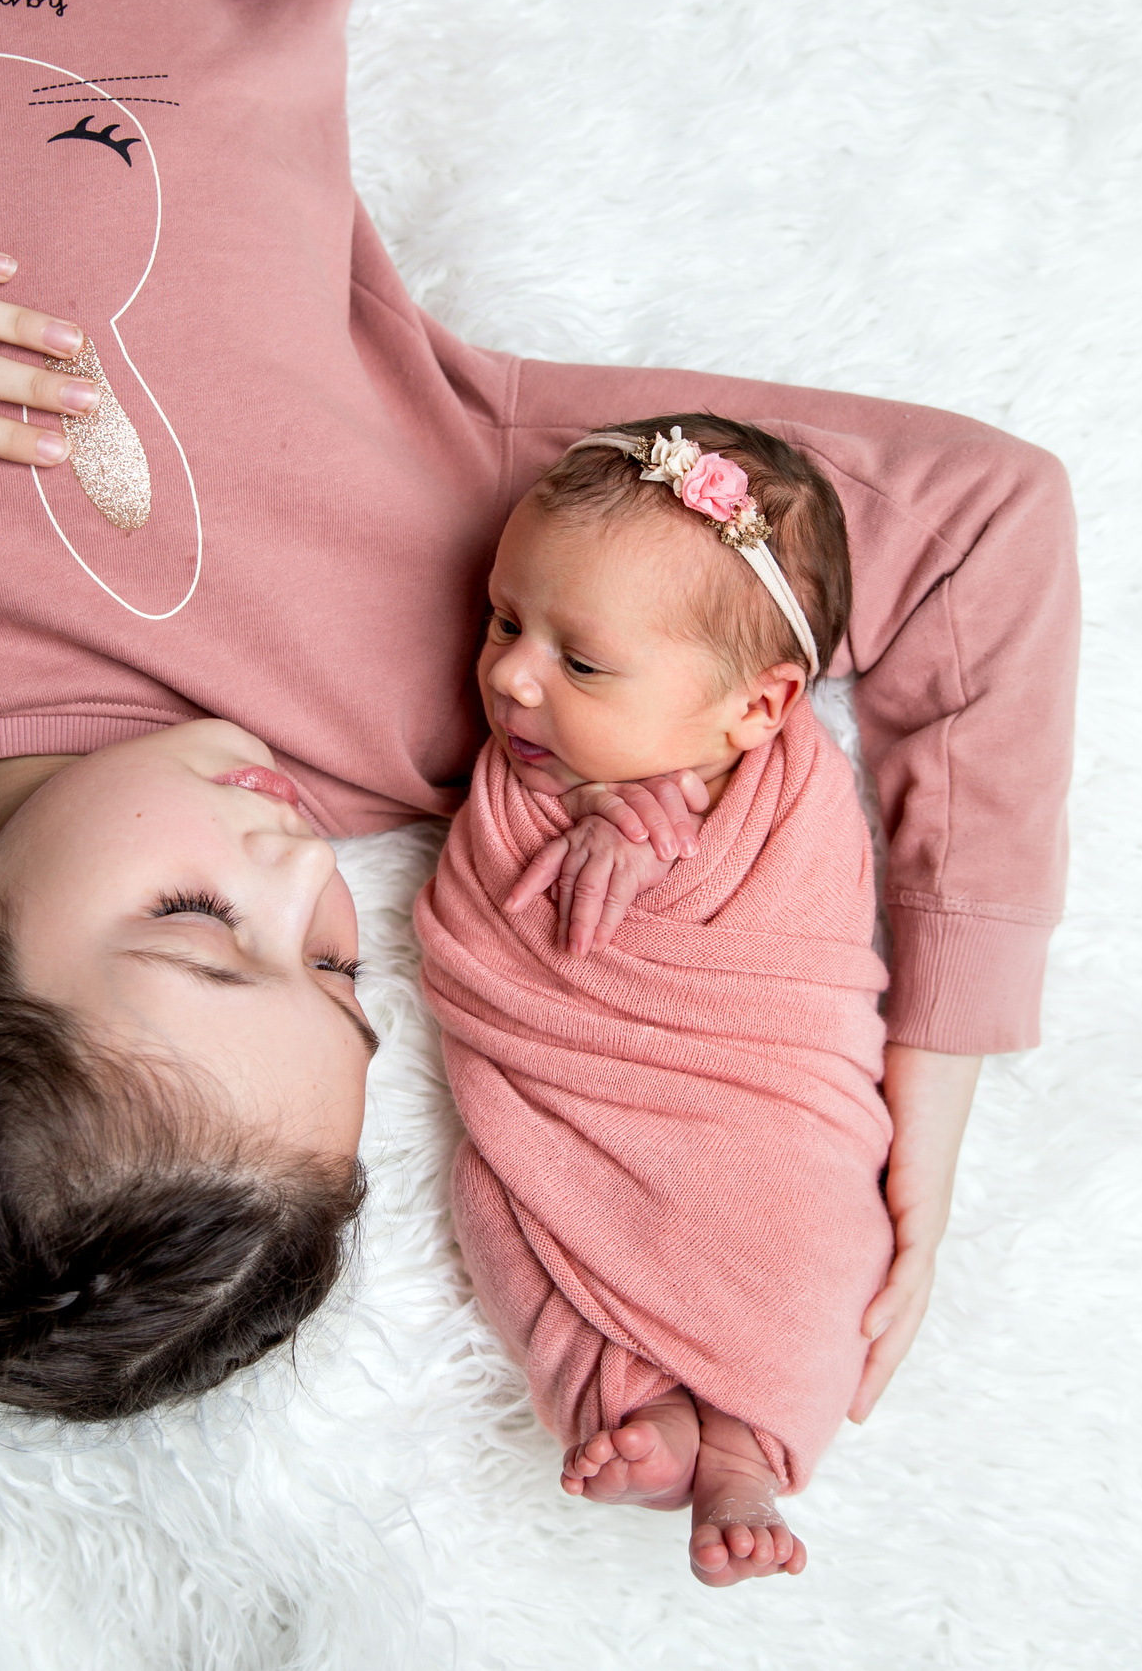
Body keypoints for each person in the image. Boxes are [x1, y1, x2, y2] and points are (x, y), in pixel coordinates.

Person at [0, 0, 1077, 1425]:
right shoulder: (469, 668)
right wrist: (927, 1082)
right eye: (339, 960)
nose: (295, 869)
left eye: (205, 931)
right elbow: (977, 531)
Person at [416, 416, 893, 1586]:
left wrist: (669, 831)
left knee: (810, 1243)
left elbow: (790, 909)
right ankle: (624, 1400)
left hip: (755, 1098)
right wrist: (604, 816)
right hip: (571, 1093)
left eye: (580, 664)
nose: (511, 676)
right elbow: (508, 920)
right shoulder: (523, 783)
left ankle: (744, 1447)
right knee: (500, 1191)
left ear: (758, 711)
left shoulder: (787, 790)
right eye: (502, 618)